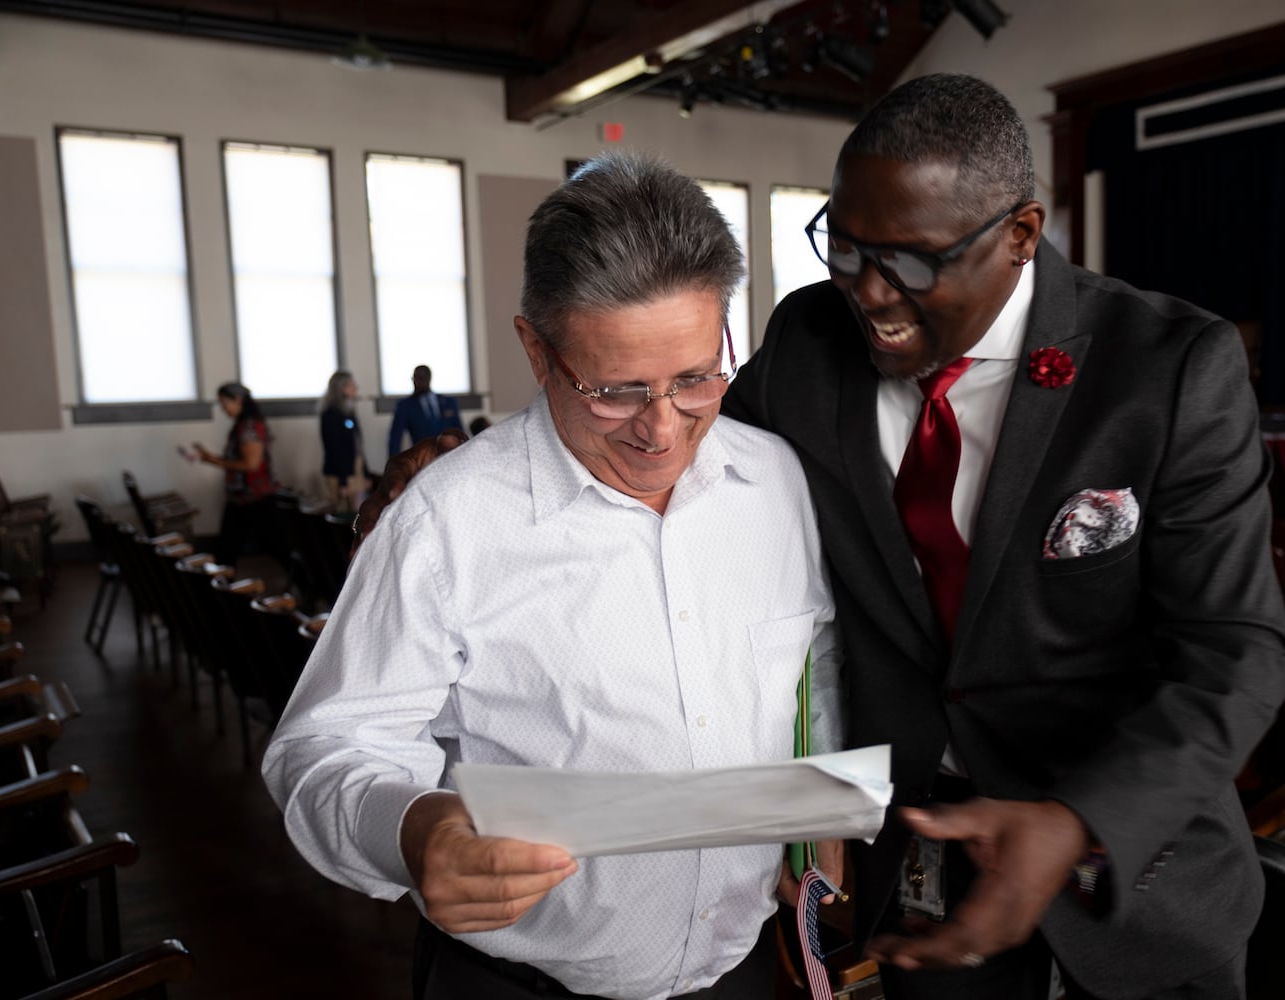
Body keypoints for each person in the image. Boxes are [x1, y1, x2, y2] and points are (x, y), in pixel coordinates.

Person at [358, 75, 1285, 1000]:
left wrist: (1079, 817)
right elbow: (661, 417)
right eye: (844, 248)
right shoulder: (813, 339)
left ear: (1019, 236)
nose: (871, 294)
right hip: (925, 866)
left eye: (912, 261)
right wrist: (452, 477)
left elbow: (1239, 651)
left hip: (1136, 870)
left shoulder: (1166, 368)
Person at [263, 152, 843, 1000]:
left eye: (695, 378)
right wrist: (417, 829)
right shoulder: (445, 521)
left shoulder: (776, 483)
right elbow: (323, 748)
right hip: (518, 983)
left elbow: (810, 669)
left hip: (747, 968)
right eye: (614, 390)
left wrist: (816, 813)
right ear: (536, 350)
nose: (662, 430)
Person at [194, 381, 278, 567]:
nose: (223, 408)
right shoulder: (242, 425)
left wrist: (214, 461)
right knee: (227, 548)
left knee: (275, 546)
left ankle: (312, 586)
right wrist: (211, 458)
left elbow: (251, 464)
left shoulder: (249, 426)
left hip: (254, 496)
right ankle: (223, 587)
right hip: (241, 497)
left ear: (238, 400)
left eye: (224, 402)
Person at [387, 364, 463, 463]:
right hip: (422, 459)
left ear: (429, 378)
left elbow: (460, 431)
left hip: (450, 457)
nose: (417, 382)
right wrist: (395, 465)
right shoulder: (405, 405)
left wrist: (463, 455)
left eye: (421, 378)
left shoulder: (448, 402)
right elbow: (395, 438)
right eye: (415, 378)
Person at [319, 370, 366, 510]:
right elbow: (335, 449)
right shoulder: (331, 415)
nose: (356, 387)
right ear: (341, 388)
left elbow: (357, 445)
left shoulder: (349, 412)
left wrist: (365, 472)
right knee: (342, 512)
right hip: (340, 474)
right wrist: (343, 481)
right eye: (352, 384)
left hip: (355, 470)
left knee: (359, 514)